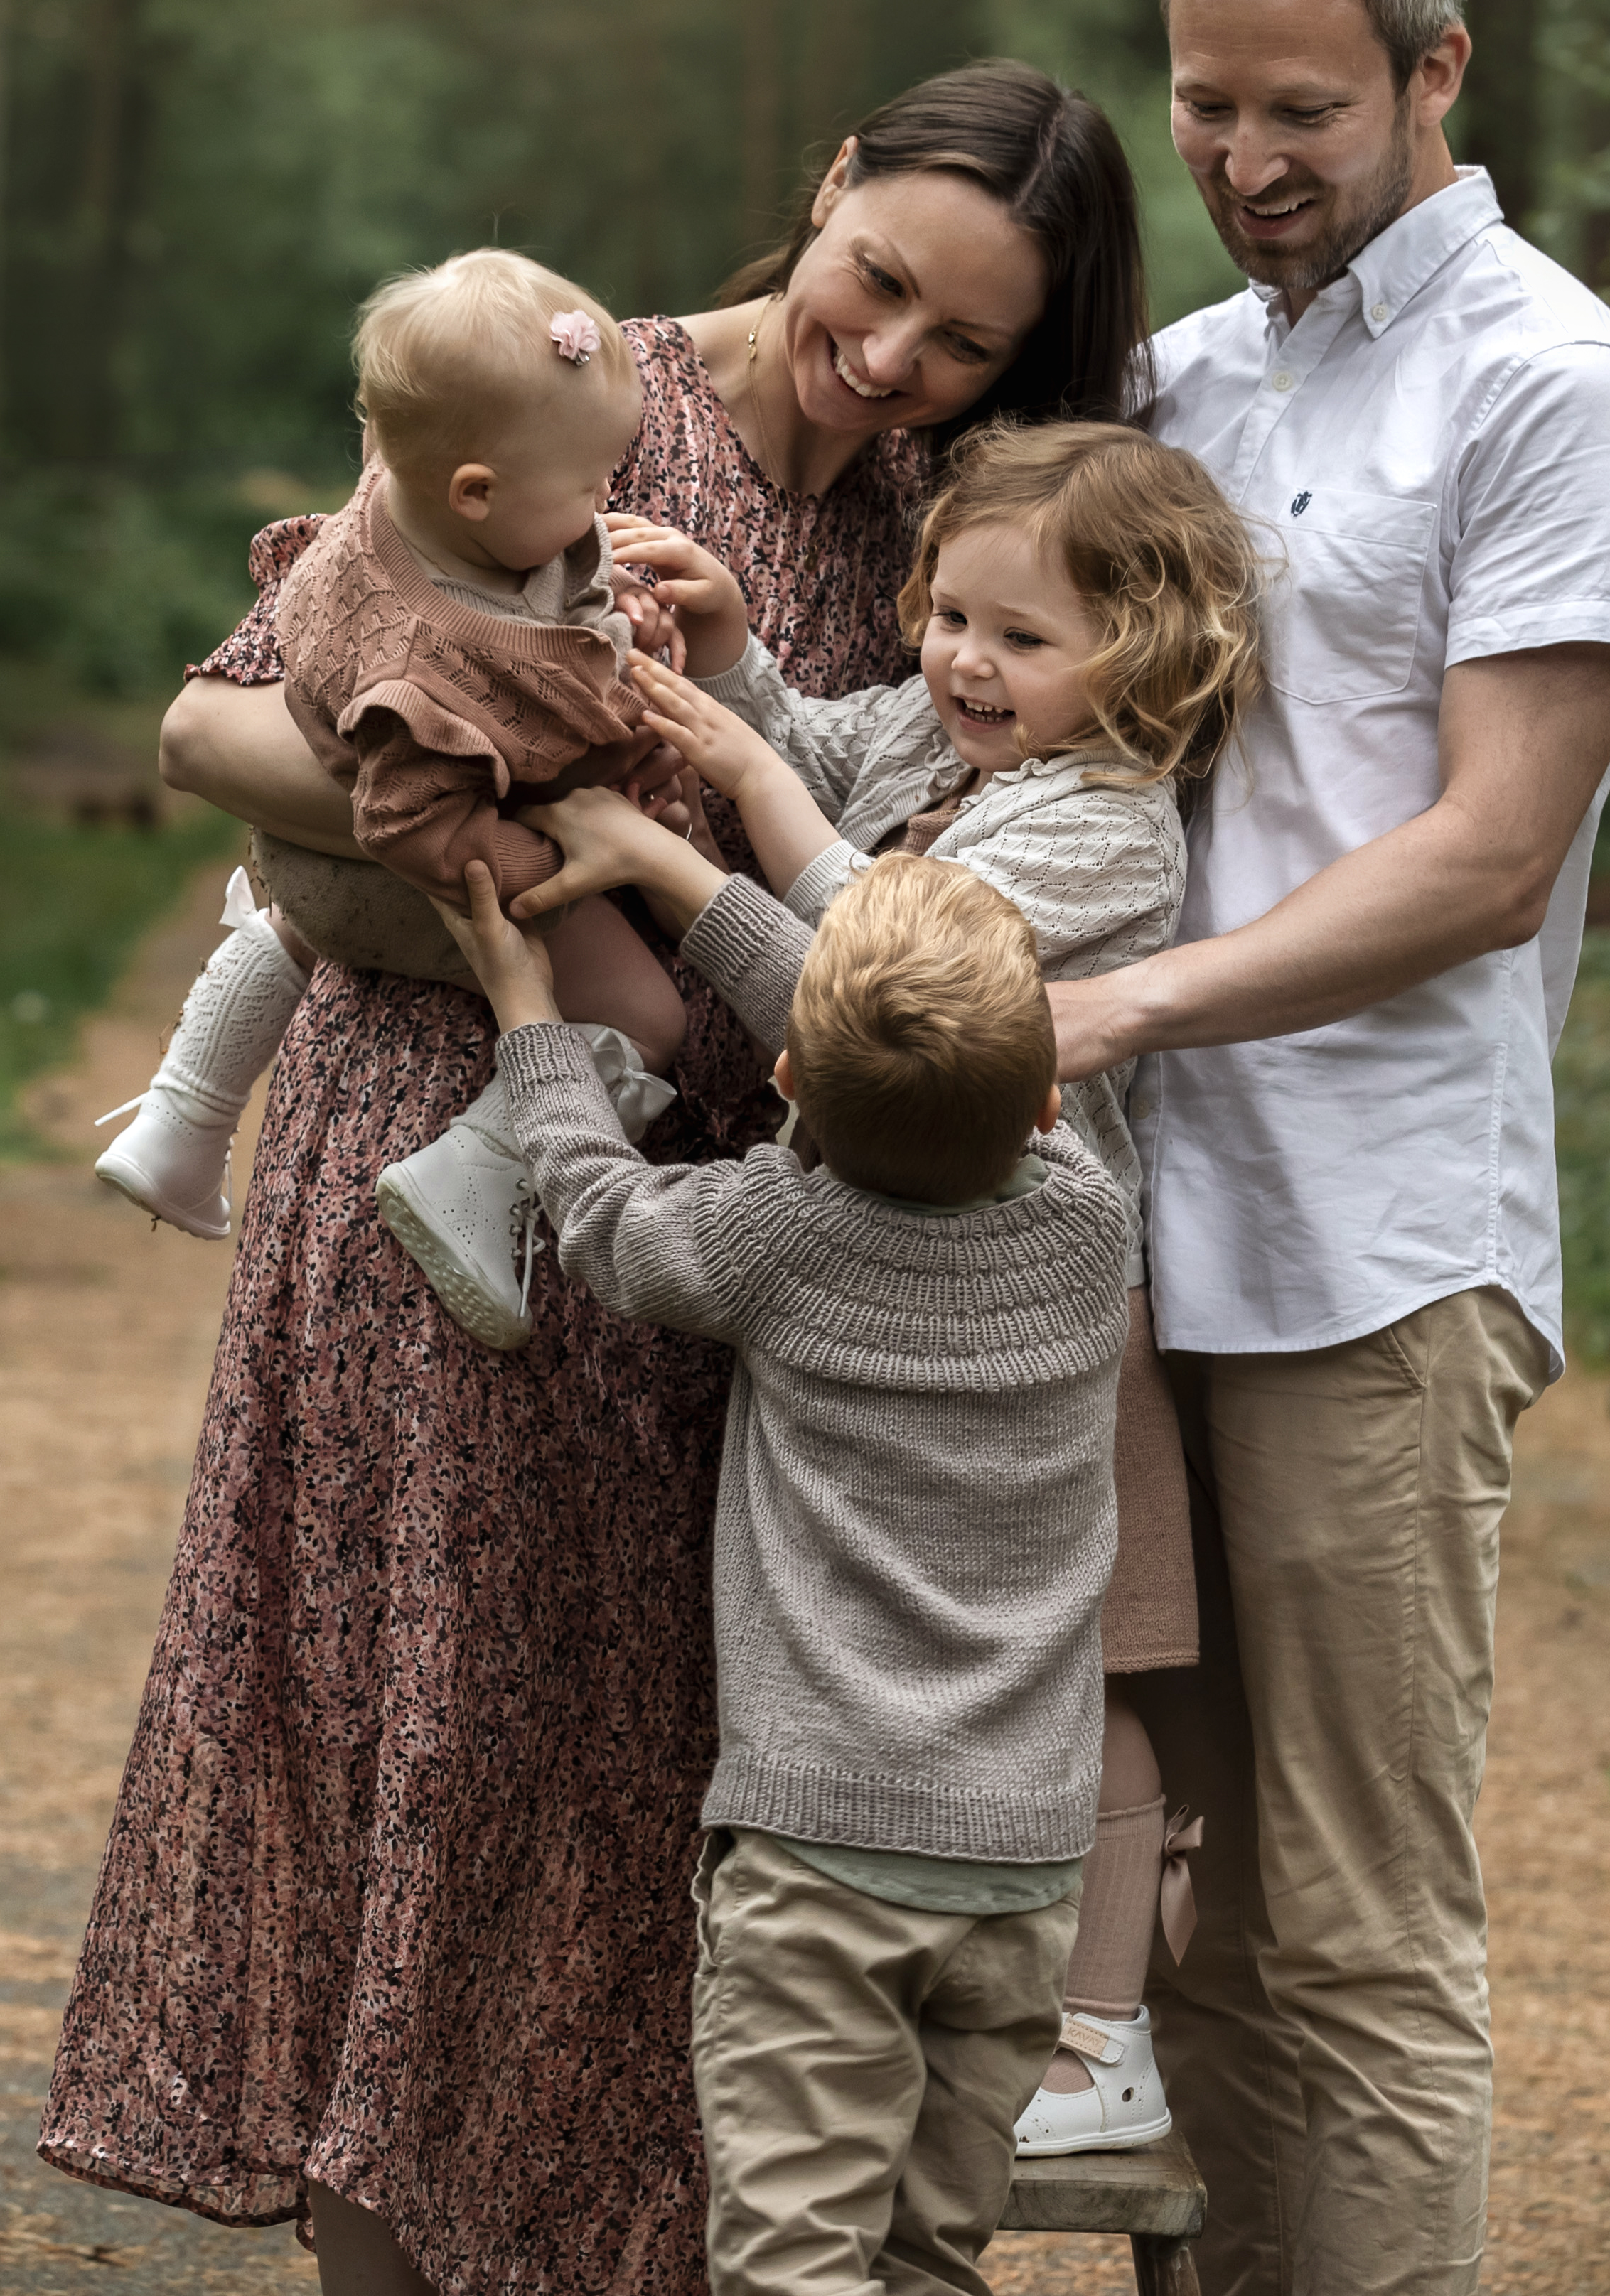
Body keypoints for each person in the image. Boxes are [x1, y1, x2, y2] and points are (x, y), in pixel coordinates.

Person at [41, 58, 1149, 2296]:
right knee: (430, 1771)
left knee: (675, 1842)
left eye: (967, 341)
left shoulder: (970, 526)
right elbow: (211, 724)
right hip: (455, 1185)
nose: (895, 357)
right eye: (880, 282)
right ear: (825, 188)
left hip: (757, 1252)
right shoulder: (565, 384)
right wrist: (492, 832)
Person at [1048, 0, 1610, 2296]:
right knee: (1168, 1921)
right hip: (1123, 1253)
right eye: (1205, 106)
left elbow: (1485, 855)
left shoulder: (1555, 385)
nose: (1238, 162)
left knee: (1354, 1931)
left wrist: (1110, 1003)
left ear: (1437, 68)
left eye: (1300, 108)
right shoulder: (1179, 384)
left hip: (1371, 1253)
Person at [506, 418, 1267, 2156]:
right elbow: (834, 745)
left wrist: (700, 830)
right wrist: (738, 669)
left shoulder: (1108, 833)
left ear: (1139, 657)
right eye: (952, 618)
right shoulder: (937, 724)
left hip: (1031, 1295)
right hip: (872, 1257)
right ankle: (920, 1981)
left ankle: (1094, 2034)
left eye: (1021, 638)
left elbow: (890, 964)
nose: (965, 666)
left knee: (1093, 1660)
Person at [434, 846, 1132, 2296]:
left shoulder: (779, 1236)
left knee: (794, 2261)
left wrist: (529, 1017)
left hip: (824, 1859)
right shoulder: (1087, 1225)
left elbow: (604, 1217)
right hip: (1023, 1867)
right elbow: (881, 1059)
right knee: (928, 2252)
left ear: (785, 1083)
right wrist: (692, 885)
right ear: (1050, 1105)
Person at [86, 249, 699, 1342]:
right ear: (479, 491)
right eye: (594, 487)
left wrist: (623, 616)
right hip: (406, 859)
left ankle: (182, 1120)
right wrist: (555, 872)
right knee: (646, 1013)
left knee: (302, 916)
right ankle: (469, 1180)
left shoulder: (398, 523)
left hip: (310, 870)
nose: (607, 502)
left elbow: (556, 580)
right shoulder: (416, 663)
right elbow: (409, 824)